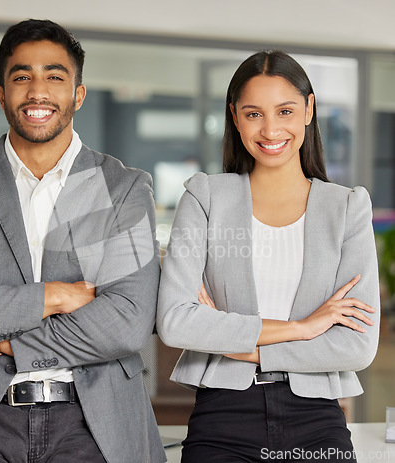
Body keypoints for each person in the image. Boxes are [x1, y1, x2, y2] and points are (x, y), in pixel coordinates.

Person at [0, 19, 165, 463]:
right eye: (21, 77)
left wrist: (17, 346)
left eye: (54, 77)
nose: (37, 91)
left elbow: (127, 320)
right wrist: (54, 296)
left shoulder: (120, 187)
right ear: (2, 93)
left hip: (93, 416)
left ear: (77, 94)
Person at [157, 50, 380, 463]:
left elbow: (356, 346)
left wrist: (236, 344)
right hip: (222, 415)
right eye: (254, 113)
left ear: (309, 110)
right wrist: (303, 328)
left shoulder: (347, 207)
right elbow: (174, 322)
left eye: (285, 110)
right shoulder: (205, 197)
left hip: (316, 419)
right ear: (235, 117)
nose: (271, 128)